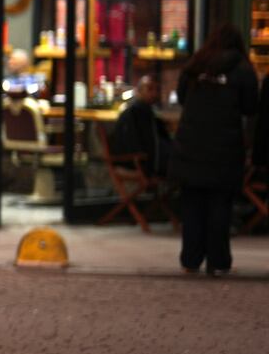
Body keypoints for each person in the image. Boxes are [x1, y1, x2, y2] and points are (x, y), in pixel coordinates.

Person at [172, 24, 257, 276]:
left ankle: (190, 260)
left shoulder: (195, 66)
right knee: (220, 205)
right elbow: (250, 107)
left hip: (191, 145)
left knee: (192, 205)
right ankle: (218, 261)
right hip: (225, 147)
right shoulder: (243, 69)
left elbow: (182, 97)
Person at [109, 75, 171, 176]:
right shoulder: (134, 113)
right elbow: (130, 145)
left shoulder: (149, 113)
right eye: (150, 89)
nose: (155, 93)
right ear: (139, 91)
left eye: (157, 89)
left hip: (149, 163)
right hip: (137, 164)